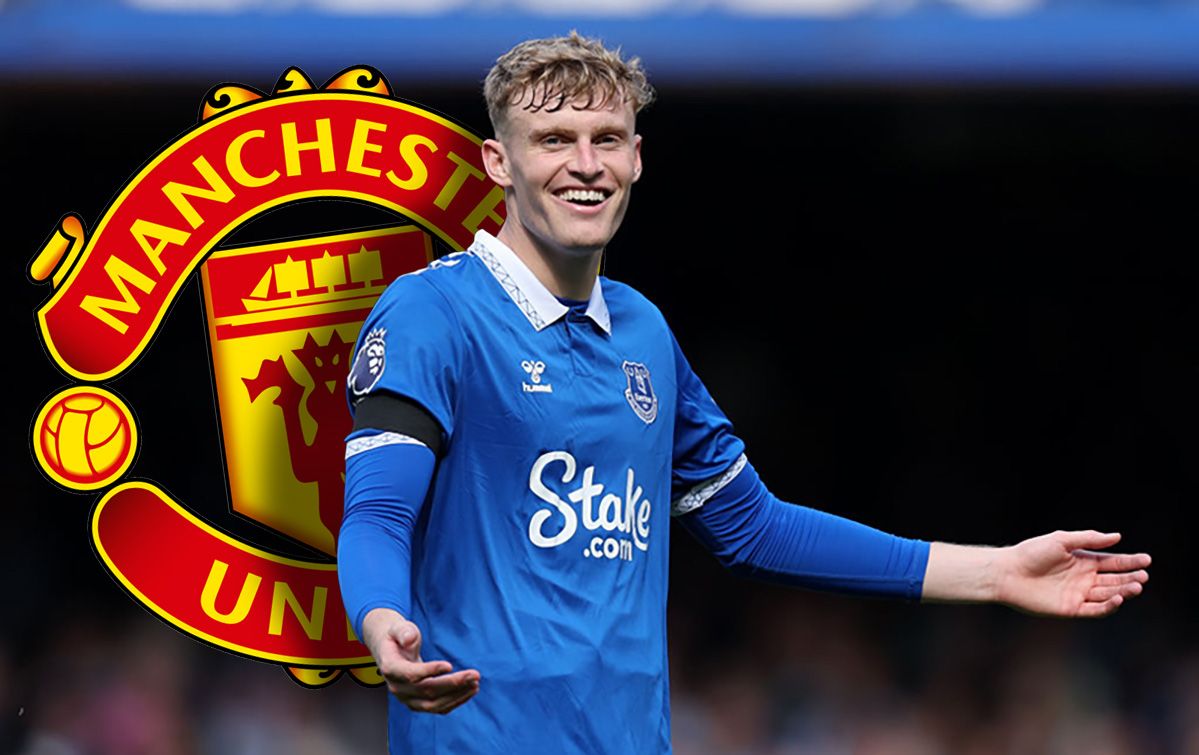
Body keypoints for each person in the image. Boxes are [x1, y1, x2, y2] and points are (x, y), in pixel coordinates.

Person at [336, 31, 1152, 753]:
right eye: (554, 139)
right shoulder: (432, 311)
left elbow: (752, 526)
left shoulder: (644, 331)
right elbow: (377, 511)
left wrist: (996, 571)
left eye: (606, 139)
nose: (584, 164)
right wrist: (382, 624)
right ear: (498, 162)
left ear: (636, 158)